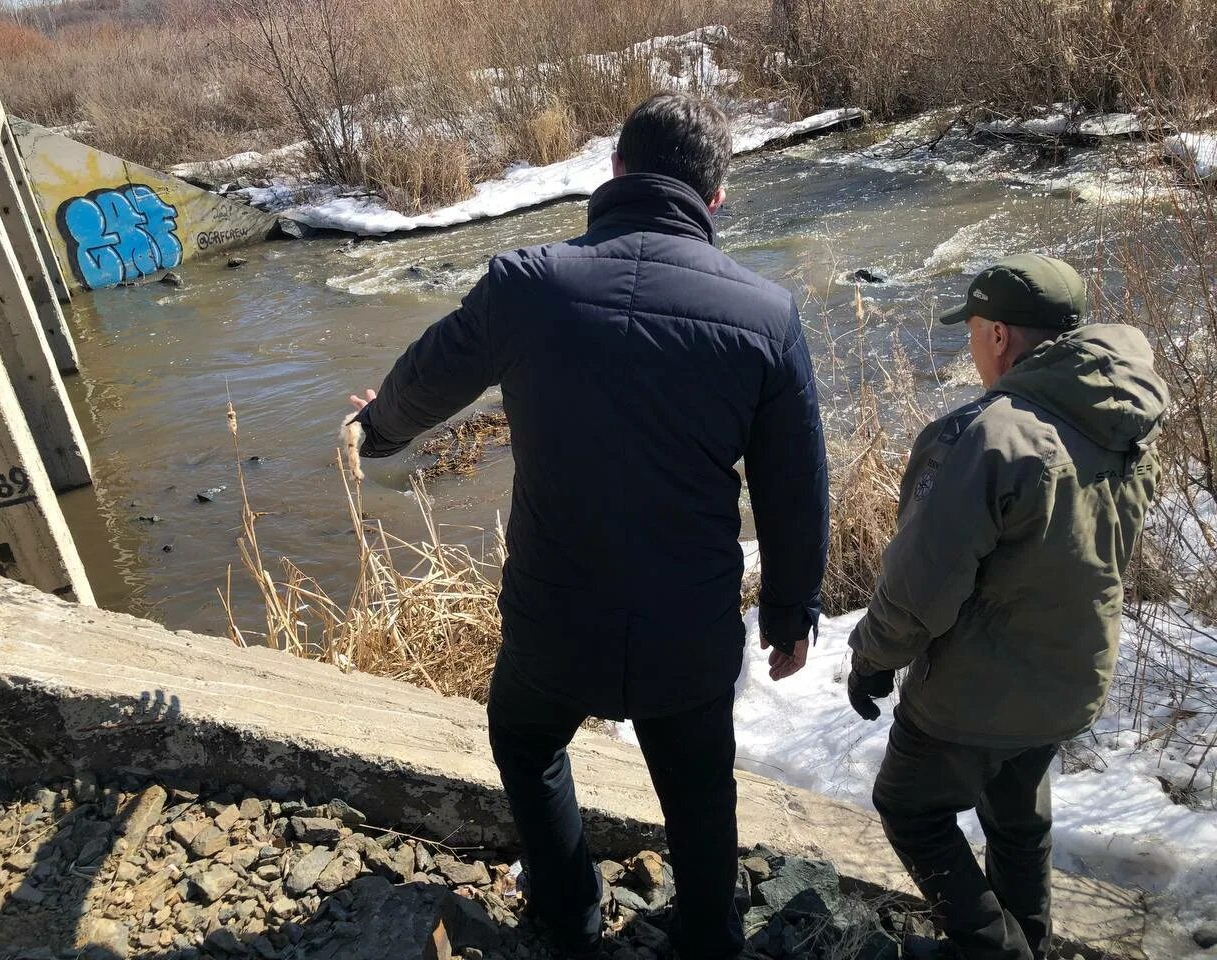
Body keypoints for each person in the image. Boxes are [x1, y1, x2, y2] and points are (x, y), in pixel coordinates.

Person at [344, 91, 829, 959]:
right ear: (716, 198)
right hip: (689, 627)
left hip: (554, 618)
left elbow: (426, 379)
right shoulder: (766, 315)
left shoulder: (526, 285)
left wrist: (378, 427)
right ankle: (710, 939)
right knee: (699, 794)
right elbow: (796, 488)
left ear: (612, 174)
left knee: (527, 745)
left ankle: (570, 917)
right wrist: (792, 612)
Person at [846, 254, 1169, 960]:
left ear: (997, 335)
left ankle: (995, 949)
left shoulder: (985, 436)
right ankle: (1032, 939)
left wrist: (871, 660)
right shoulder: (1124, 415)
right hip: (1071, 678)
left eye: (972, 330)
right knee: (1018, 821)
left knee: (910, 807)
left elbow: (918, 589)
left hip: (971, 699)